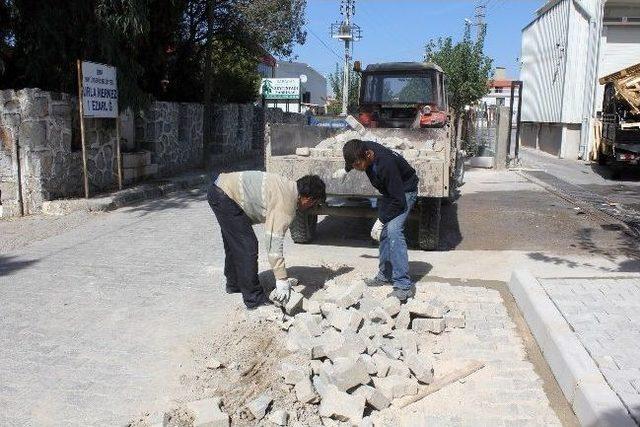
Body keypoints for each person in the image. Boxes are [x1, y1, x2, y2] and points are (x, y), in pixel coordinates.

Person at [208, 171, 326, 309]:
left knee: (235, 244)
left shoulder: (289, 187)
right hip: (225, 195)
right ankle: (254, 298)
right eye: (314, 204)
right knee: (247, 247)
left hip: (220, 188)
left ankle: (234, 284)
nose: (311, 208)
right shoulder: (287, 202)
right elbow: (273, 242)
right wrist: (281, 279)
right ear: (308, 199)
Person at [340, 139, 419, 302]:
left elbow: (399, 201)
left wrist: (381, 220)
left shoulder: (386, 164)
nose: (357, 168)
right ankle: (385, 275)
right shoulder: (362, 149)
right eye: (353, 165)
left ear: (368, 155)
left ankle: (403, 286)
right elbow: (353, 157)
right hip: (391, 193)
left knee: (393, 231)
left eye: (358, 165)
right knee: (384, 232)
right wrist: (345, 170)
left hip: (404, 192)